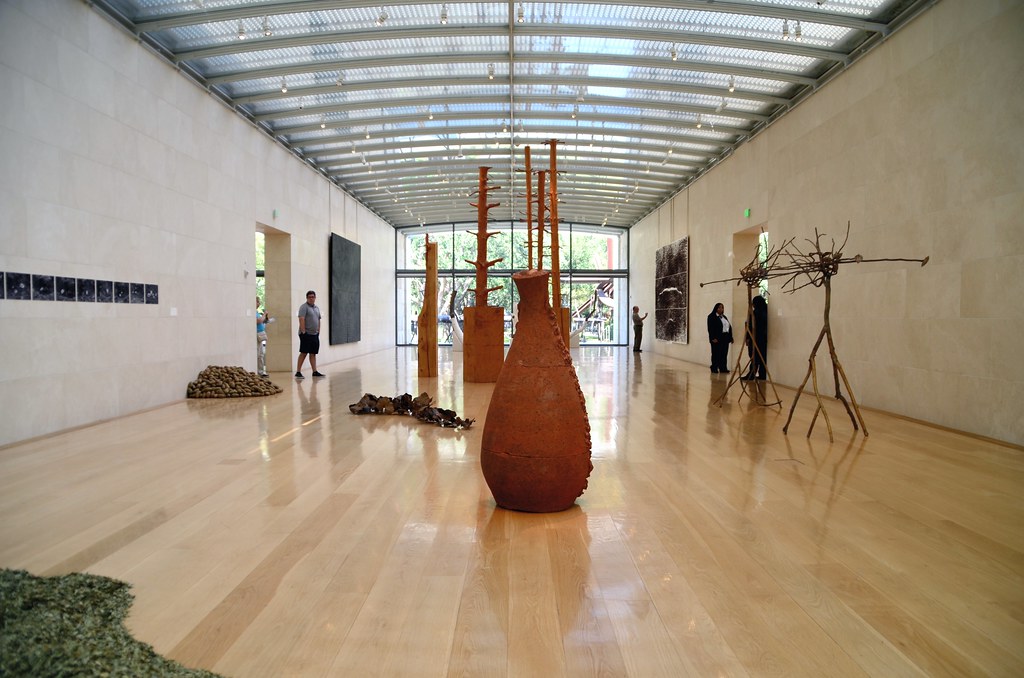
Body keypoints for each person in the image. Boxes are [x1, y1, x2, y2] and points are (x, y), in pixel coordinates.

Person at [295, 290, 325, 378]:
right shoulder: (304, 307)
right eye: (309, 297)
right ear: (307, 298)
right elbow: (301, 319)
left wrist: (318, 331)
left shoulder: (316, 308)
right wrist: (304, 332)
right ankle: (298, 372)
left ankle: (314, 371)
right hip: (306, 334)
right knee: (304, 352)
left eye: (313, 297)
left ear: (315, 298)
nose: (311, 299)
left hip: (314, 334)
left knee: (313, 353)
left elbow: (318, 319)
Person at [742, 294, 768, 380]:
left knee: (754, 356)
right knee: (762, 357)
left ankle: (752, 374)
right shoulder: (766, 312)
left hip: (755, 338)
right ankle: (762, 374)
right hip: (763, 339)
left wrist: (747, 338)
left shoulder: (754, 314)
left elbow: (750, 326)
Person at [706, 302, 733, 373]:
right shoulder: (711, 317)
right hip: (717, 338)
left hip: (725, 337)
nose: (721, 309)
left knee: (724, 353)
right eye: (719, 307)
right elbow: (710, 328)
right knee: (716, 353)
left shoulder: (724, 317)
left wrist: (730, 337)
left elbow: (728, 327)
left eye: (722, 307)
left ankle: (723, 368)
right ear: (716, 308)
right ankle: (714, 367)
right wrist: (712, 338)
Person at [256, 296, 270, 377]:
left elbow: (262, 320)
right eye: (257, 302)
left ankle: (261, 371)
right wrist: (264, 314)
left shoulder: (257, 312)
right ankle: (258, 371)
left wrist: (265, 317)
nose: (259, 304)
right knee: (258, 354)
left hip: (261, 334)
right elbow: (259, 321)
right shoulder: (254, 313)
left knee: (261, 354)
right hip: (257, 335)